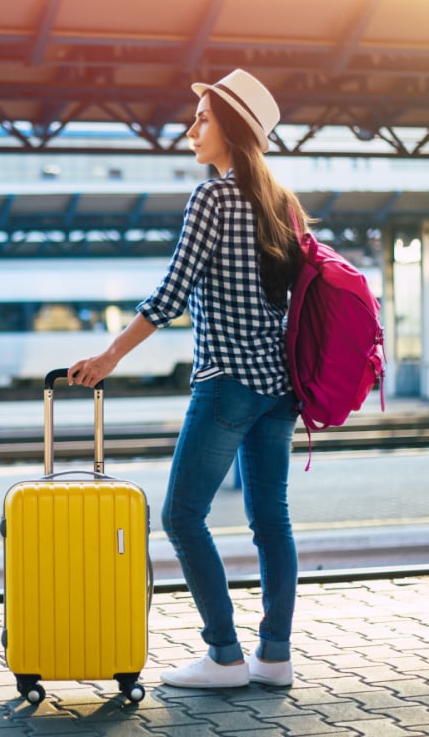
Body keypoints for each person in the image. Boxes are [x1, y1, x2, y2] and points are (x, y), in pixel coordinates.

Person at [68, 68, 311, 689]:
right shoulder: (280, 201)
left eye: (202, 117)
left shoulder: (212, 197)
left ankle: (225, 656)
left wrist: (110, 356)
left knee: (180, 515)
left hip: (228, 382)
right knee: (271, 520)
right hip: (279, 388)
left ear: (230, 127)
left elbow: (171, 293)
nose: (191, 128)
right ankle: (275, 657)